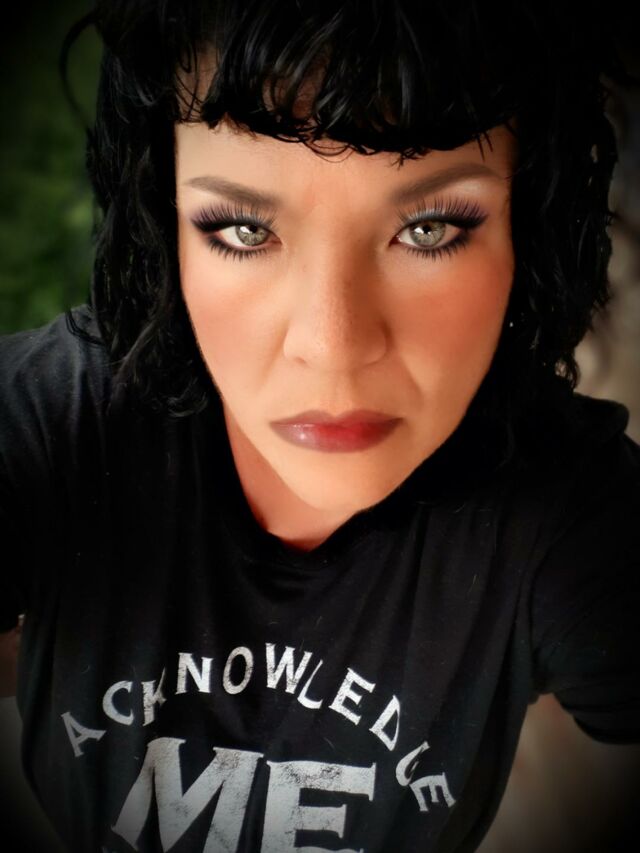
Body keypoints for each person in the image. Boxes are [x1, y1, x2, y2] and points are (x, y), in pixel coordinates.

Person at [1, 1, 639, 851]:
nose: (332, 347)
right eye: (244, 228)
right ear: (163, 224)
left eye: (428, 228)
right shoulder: (55, 422)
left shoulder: (562, 511)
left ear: (529, 227)